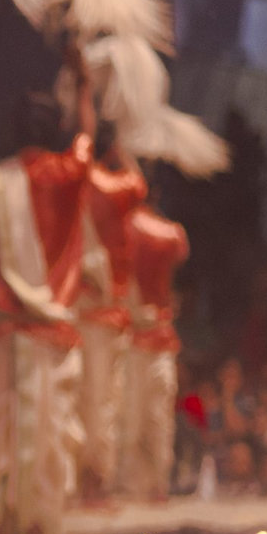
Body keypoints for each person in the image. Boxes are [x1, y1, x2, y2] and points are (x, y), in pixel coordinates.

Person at [0, 70, 95, 534]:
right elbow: (87, 137)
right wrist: (82, 88)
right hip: (51, 338)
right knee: (50, 442)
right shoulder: (69, 174)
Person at [73, 130, 147, 503]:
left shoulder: (74, 183)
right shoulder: (115, 187)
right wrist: (124, 148)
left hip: (81, 312)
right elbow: (140, 185)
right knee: (101, 403)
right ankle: (94, 485)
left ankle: (87, 483)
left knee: (86, 399)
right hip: (102, 318)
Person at [116, 188, 190, 500]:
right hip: (160, 339)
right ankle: (157, 485)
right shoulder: (173, 233)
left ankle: (132, 489)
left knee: (130, 420)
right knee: (158, 420)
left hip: (134, 340)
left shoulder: (124, 228)